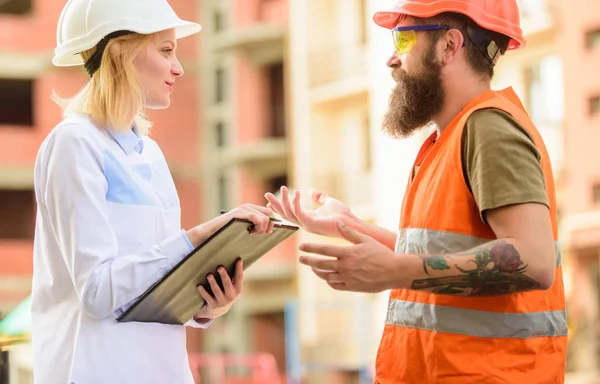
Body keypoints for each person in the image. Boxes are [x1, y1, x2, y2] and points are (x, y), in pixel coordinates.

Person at [265, 0, 567, 383]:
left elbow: (534, 260)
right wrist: (351, 226)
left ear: (449, 46)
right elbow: (445, 254)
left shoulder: (489, 129)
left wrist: (395, 271)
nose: (392, 58)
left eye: (404, 39)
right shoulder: (446, 141)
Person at [31, 0, 276, 383]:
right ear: (121, 55)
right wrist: (196, 239)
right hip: (95, 370)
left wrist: (205, 305)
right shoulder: (74, 143)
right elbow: (97, 291)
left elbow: (154, 284)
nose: (178, 67)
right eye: (166, 50)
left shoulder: (150, 152)